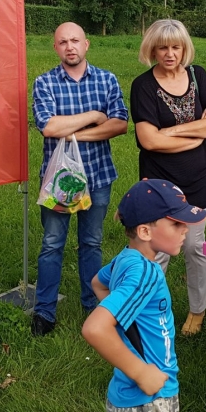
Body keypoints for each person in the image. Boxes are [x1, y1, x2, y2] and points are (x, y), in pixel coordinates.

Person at [82, 178, 206, 412]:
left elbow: (98, 283)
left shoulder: (126, 259)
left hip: (128, 399)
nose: (185, 229)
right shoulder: (146, 273)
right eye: (176, 223)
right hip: (148, 402)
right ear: (144, 231)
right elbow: (95, 328)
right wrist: (141, 372)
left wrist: (125, 322)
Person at [31, 22, 129, 336]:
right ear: (55, 47)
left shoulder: (106, 80)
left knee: (91, 242)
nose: (69, 47)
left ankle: (92, 306)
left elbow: (120, 124)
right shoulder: (45, 82)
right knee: (52, 244)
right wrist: (94, 117)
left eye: (75, 40)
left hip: (98, 175)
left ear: (86, 44)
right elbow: (48, 126)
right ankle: (44, 311)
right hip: (59, 182)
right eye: (63, 42)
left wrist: (72, 133)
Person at [130, 18, 206, 335]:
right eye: (162, 48)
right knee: (157, 250)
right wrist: (197, 134)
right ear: (152, 50)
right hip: (159, 182)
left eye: (175, 47)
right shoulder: (143, 86)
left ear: (184, 48)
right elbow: (149, 141)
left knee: (194, 248)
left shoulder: (198, 76)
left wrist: (172, 131)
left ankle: (198, 309)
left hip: (197, 177)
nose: (169, 54)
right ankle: (150, 310)